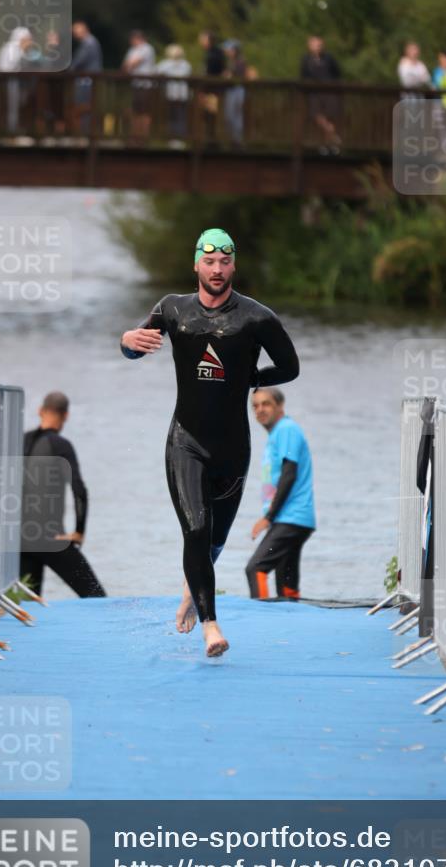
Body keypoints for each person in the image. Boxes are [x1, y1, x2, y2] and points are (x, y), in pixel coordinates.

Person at [120, 228, 299, 657]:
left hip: (233, 449)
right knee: (195, 529)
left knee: (213, 541)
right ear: (196, 265)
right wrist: (126, 342)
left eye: (224, 262)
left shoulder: (256, 318)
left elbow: (290, 367)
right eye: (209, 262)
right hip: (186, 441)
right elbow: (136, 347)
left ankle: (191, 592)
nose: (216, 270)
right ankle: (211, 626)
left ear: (233, 266)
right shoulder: (173, 310)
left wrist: (253, 378)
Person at [20, 392, 106, 598]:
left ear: (40, 411)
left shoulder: (21, 442)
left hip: (20, 539)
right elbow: (79, 489)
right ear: (66, 416)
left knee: (29, 605)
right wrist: (79, 531)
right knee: (96, 597)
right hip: (51, 538)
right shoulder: (61, 445)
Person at [246, 388, 315, 600]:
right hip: (291, 518)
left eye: (266, 404)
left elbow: (289, 473)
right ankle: (292, 620)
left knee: (255, 568)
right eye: (255, 406)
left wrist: (268, 517)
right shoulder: (278, 433)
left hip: (291, 517)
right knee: (286, 583)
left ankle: (261, 622)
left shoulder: (286, 429)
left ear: (280, 406)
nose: (259, 410)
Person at [300, 35, 342, 155]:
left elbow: (337, 73)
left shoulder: (329, 58)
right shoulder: (306, 60)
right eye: (315, 44)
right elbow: (303, 76)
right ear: (309, 46)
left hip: (329, 92)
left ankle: (328, 145)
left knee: (330, 117)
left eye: (319, 44)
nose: (318, 47)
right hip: (314, 92)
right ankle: (334, 137)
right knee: (317, 116)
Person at [0, 27, 33, 134]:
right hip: (10, 82)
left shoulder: (18, 48)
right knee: (12, 106)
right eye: (28, 39)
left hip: (17, 82)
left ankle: (14, 127)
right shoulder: (12, 48)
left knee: (16, 106)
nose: (30, 41)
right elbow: (9, 66)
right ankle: (11, 130)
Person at [122, 30, 156, 142]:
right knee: (135, 110)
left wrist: (129, 65)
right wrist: (129, 65)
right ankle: (135, 135)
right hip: (136, 83)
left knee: (144, 111)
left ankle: (143, 136)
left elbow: (133, 63)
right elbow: (125, 65)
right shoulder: (133, 50)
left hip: (145, 84)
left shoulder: (147, 48)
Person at [70, 21, 103, 134]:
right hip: (87, 80)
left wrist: (69, 70)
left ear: (84, 29)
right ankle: (86, 132)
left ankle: (86, 133)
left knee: (84, 106)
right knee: (85, 107)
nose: (74, 33)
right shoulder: (89, 42)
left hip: (87, 81)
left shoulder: (89, 43)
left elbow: (78, 61)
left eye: (75, 30)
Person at [156, 44, 192, 146]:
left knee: (175, 117)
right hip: (179, 95)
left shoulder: (165, 64)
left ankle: (175, 139)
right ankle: (176, 139)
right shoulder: (186, 64)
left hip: (173, 95)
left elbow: (156, 72)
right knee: (179, 117)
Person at [198, 31, 226, 143]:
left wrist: (203, 89)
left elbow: (210, 72)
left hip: (211, 89)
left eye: (202, 39)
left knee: (210, 115)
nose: (200, 42)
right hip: (212, 89)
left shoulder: (213, 55)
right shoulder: (216, 53)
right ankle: (210, 139)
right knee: (209, 115)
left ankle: (211, 141)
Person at [223, 39, 247, 147]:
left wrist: (229, 74)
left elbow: (235, 75)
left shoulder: (240, 61)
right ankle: (233, 139)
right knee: (230, 116)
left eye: (229, 49)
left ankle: (237, 140)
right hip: (232, 90)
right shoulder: (230, 61)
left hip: (237, 90)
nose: (227, 51)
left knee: (236, 116)